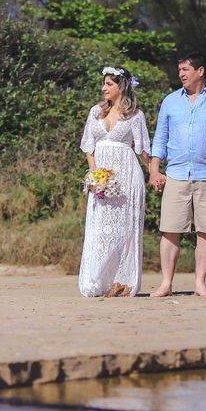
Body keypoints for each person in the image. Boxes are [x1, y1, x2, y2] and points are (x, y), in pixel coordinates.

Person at [148, 50, 206, 297]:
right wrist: (154, 169)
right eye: (179, 70)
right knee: (170, 230)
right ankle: (166, 284)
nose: (180, 74)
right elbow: (160, 138)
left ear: (200, 71)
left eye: (185, 69)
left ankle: (200, 284)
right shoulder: (170, 102)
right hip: (176, 173)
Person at [77, 66, 152, 297]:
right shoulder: (96, 111)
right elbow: (88, 146)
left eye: (109, 84)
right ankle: (99, 280)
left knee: (125, 230)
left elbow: (143, 150)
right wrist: (95, 175)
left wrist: (155, 174)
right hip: (102, 179)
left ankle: (123, 281)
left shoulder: (135, 115)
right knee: (101, 229)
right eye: (104, 83)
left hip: (127, 177)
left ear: (122, 86)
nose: (103, 88)